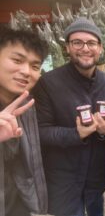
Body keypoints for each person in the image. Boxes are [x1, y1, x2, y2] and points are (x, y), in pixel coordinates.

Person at [32, 17, 105, 216]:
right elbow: (40, 131)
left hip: (97, 173)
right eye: (77, 42)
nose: (85, 48)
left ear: (100, 48)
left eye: (91, 43)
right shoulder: (48, 84)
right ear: (68, 48)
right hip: (63, 178)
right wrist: (76, 134)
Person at [0, 27, 48, 216]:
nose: (26, 71)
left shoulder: (26, 104)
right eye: (17, 60)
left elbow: (31, 163)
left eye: (35, 66)